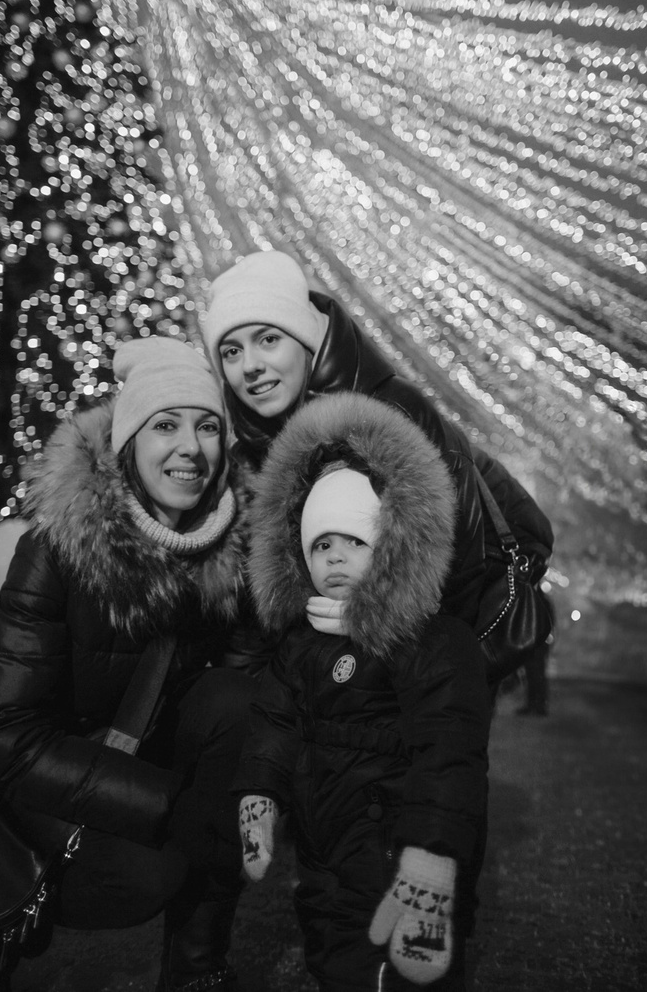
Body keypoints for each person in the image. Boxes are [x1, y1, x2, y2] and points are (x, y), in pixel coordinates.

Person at [0, 336, 256, 992]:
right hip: (23, 784)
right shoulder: (57, 546)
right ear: (128, 442)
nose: (189, 447)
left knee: (237, 706)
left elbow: (241, 704)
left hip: (132, 763)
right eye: (165, 424)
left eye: (206, 426)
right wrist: (172, 806)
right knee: (162, 849)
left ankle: (195, 968)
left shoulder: (232, 551)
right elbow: (2, 735)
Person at [237, 393, 490, 989]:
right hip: (325, 854)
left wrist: (430, 855)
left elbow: (450, 751)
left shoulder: (431, 640)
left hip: (399, 858)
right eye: (321, 545)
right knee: (332, 955)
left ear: (390, 544)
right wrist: (259, 793)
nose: (336, 557)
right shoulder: (302, 642)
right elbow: (275, 721)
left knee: (407, 975)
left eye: (354, 540)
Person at [203, 250, 552, 639]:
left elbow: (461, 565)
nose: (249, 365)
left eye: (268, 339)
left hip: (438, 644)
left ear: (305, 341)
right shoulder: (250, 452)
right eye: (231, 351)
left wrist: (384, 631)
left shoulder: (393, 411)